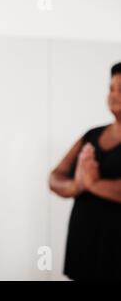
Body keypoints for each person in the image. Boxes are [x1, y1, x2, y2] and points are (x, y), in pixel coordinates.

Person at [49, 62, 121, 280]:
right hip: (86, 241)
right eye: (111, 88)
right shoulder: (92, 135)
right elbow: (55, 177)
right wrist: (76, 185)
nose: (114, 95)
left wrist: (91, 184)